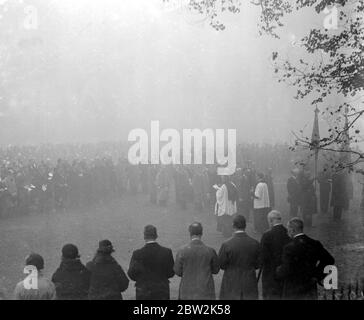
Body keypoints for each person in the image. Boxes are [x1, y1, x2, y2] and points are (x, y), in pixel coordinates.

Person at [276, 218, 335, 300]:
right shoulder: (314, 243)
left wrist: (278, 271)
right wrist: (317, 275)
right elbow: (329, 260)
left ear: (293, 230)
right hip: (310, 285)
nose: (287, 231)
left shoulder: (289, 248)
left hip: (293, 288)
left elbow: (287, 268)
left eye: (288, 229)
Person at [174, 222, 220, 300]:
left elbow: (178, 271)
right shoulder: (210, 251)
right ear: (201, 233)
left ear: (190, 233)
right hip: (205, 291)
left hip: (187, 291)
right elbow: (216, 270)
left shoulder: (182, 251)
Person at [218, 215, 260, 300]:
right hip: (249, 282)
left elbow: (221, 264)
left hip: (231, 282)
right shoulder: (255, 243)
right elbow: (257, 264)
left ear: (233, 225)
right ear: (245, 225)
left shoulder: (227, 244)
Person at [128, 225, 175, 300]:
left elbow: (131, 274)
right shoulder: (166, 252)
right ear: (156, 235)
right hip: (162, 291)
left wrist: (141, 279)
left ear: (144, 236)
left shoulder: (137, 254)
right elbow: (171, 273)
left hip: (143, 291)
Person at [260, 210, 291, 300]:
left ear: (270, 220)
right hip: (286, 272)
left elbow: (262, 256)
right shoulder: (288, 233)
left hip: (270, 274)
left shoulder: (267, 235)